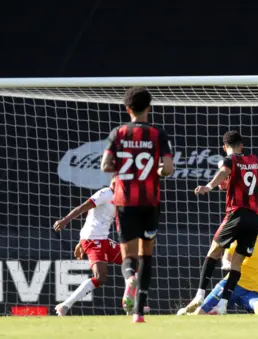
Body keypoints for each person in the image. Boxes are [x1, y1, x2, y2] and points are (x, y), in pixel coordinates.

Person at [100, 87, 174, 323]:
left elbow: (105, 165)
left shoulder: (118, 133)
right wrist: (157, 170)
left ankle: (129, 277)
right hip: (150, 202)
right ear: (149, 108)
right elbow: (168, 169)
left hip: (125, 201)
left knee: (128, 255)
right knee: (147, 255)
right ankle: (139, 313)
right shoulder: (157, 133)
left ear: (127, 108)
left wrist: (122, 168)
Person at [185, 131, 258, 315]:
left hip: (237, 213)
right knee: (237, 263)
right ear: (241, 145)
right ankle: (223, 304)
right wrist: (228, 183)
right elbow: (246, 181)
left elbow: (224, 170)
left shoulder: (230, 160)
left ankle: (199, 294)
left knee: (213, 251)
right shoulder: (255, 160)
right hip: (256, 217)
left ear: (224, 147)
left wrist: (209, 186)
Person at [178, 206, 258, 315]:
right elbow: (227, 254)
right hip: (231, 285)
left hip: (252, 291)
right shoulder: (248, 238)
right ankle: (194, 312)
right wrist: (227, 263)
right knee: (200, 313)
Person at [52, 179, 121, 316]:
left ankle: (135, 304)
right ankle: (65, 306)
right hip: (93, 240)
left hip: (103, 239)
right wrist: (65, 220)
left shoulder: (121, 197)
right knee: (100, 277)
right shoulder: (105, 193)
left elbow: (94, 220)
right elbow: (82, 208)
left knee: (133, 261)